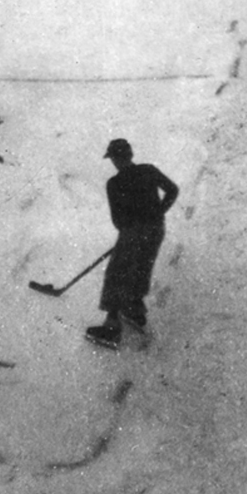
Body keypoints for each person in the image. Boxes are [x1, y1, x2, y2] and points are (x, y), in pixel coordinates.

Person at [86, 139, 179, 348]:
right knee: (142, 268)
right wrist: (158, 212)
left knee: (117, 274)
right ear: (130, 155)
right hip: (156, 230)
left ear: (115, 160)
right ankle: (135, 311)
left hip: (132, 233)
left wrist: (129, 231)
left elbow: (118, 221)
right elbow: (172, 190)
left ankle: (111, 328)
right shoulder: (148, 170)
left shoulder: (114, 184)